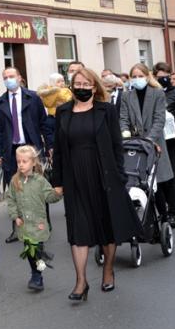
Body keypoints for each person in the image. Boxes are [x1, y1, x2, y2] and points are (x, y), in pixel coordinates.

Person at [52, 68, 142, 303]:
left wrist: (120, 177)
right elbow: (58, 150)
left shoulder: (106, 110)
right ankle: (81, 281)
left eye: (86, 84)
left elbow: (116, 146)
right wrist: (57, 181)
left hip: (104, 176)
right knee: (77, 229)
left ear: (94, 87)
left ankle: (108, 270)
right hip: (74, 178)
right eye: (77, 83)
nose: (81, 87)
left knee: (106, 226)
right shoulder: (62, 112)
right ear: (72, 86)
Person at [0, 67, 52, 244]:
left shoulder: (33, 97)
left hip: (31, 148)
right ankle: (17, 228)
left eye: (11, 76)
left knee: (37, 187)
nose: (8, 79)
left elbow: (44, 123)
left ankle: (43, 223)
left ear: (19, 78)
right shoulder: (0, 102)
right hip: (11, 151)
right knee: (15, 189)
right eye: (5, 77)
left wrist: (50, 147)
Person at [120, 63, 175, 223]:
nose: (137, 79)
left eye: (140, 76)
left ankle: (164, 215)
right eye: (134, 76)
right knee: (140, 180)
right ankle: (146, 218)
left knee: (157, 181)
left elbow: (159, 118)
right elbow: (123, 118)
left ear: (147, 76)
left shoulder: (157, 93)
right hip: (135, 144)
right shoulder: (127, 96)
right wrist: (125, 132)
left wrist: (150, 139)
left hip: (154, 142)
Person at [5, 145, 62, 291]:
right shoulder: (15, 181)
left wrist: (58, 193)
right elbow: (10, 199)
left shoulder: (40, 181)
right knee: (30, 252)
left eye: (24, 161)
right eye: (18, 161)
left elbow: (50, 197)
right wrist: (15, 216)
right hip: (24, 225)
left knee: (36, 251)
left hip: (38, 224)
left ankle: (38, 275)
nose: (21, 164)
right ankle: (37, 271)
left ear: (33, 163)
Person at [152, 62, 175, 228]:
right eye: (159, 77)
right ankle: (163, 212)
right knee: (159, 178)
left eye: (166, 76)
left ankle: (173, 212)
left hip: (173, 141)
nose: (163, 79)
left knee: (174, 177)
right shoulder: (151, 94)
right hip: (156, 141)